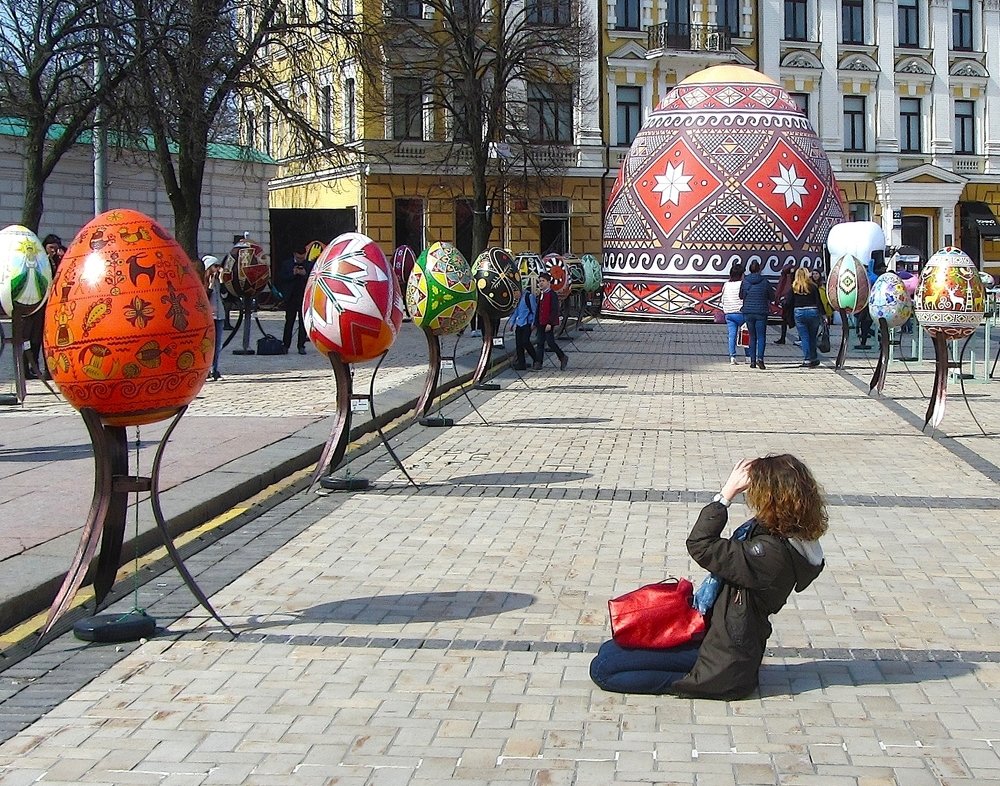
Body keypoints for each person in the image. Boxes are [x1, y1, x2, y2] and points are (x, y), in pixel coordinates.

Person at [590, 454, 827, 700]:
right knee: (610, 650)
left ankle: (685, 682)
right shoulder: (784, 534)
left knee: (603, 669)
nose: (752, 496)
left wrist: (725, 496)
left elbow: (701, 544)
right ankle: (681, 670)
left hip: (723, 657)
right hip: (716, 633)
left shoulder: (771, 555)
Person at [738, 261, 774, 369]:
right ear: (759, 269)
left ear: (749, 269)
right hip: (761, 312)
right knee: (761, 336)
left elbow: (741, 295)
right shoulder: (765, 282)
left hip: (748, 312)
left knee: (752, 337)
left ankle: (752, 361)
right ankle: (761, 360)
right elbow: (772, 296)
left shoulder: (745, 282)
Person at [533, 272, 568, 371]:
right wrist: (535, 322)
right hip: (540, 322)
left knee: (550, 342)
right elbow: (538, 309)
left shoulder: (552, 294)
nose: (541, 283)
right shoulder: (541, 294)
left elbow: (554, 310)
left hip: (548, 323)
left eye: (543, 281)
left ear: (548, 282)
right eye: (539, 281)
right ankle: (538, 363)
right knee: (540, 342)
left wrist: (549, 323)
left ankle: (562, 356)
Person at [279, 247, 311, 354]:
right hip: (291, 298)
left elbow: (313, 280)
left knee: (303, 323)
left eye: (302, 258)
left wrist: (304, 274)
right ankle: (285, 345)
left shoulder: (309, 265)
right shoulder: (287, 264)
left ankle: (301, 345)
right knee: (289, 322)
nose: (300, 260)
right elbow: (281, 278)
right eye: (298, 258)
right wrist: (293, 274)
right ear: (294, 254)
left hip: (303, 298)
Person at [789, 268, 823, 368]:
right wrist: (824, 314)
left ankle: (807, 359)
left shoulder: (794, 287)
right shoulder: (813, 286)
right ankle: (814, 358)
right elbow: (818, 301)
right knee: (813, 336)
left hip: (799, 312)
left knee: (804, 337)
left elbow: (789, 301)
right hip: (813, 311)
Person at [203, 255, 226, 380]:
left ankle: (215, 369)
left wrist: (222, 280)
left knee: (217, 345)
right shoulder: (205, 281)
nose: (218, 269)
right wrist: (210, 286)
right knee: (208, 345)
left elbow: (225, 295)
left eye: (218, 266)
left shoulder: (218, 280)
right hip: (209, 316)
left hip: (219, 315)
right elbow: (205, 297)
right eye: (215, 266)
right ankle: (206, 370)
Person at [720, 263, 747, 365]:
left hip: (729, 313)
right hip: (741, 313)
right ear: (741, 274)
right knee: (746, 334)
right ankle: (748, 357)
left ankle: (732, 357)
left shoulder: (726, 284)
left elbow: (722, 299)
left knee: (732, 336)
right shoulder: (743, 284)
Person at [510, 285, 540, 371]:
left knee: (525, 341)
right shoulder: (516, 300)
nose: (515, 295)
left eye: (516, 293)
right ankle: (521, 363)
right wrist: (512, 323)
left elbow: (534, 310)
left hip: (527, 323)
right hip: (519, 323)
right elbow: (515, 312)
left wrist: (534, 323)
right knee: (519, 344)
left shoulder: (529, 297)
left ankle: (536, 359)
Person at [772, 261, 795, 345]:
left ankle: (783, 338)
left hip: (788, 301)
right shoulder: (787, 277)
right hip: (788, 301)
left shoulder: (786, 277)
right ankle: (783, 337)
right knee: (785, 320)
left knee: (785, 320)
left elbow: (781, 288)